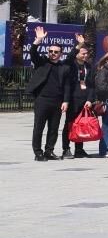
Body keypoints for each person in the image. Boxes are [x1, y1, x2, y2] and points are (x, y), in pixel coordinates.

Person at [26, 28, 71, 162]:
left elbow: (67, 86)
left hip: (57, 101)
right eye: (50, 51)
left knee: (53, 129)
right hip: (42, 100)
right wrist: (38, 40)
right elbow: (33, 53)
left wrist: (66, 101)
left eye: (56, 52)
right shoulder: (42, 63)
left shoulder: (64, 68)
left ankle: (49, 151)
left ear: (61, 54)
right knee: (38, 128)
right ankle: (38, 153)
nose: (52, 54)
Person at [60, 45, 94, 159]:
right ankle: (66, 149)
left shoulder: (88, 66)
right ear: (77, 54)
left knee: (81, 125)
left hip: (84, 100)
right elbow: (69, 57)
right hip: (73, 99)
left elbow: (91, 85)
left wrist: (89, 99)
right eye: (83, 53)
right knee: (69, 124)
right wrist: (78, 45)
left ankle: (79, 149)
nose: (85, 55)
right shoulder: (71, 64)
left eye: (86, 53)